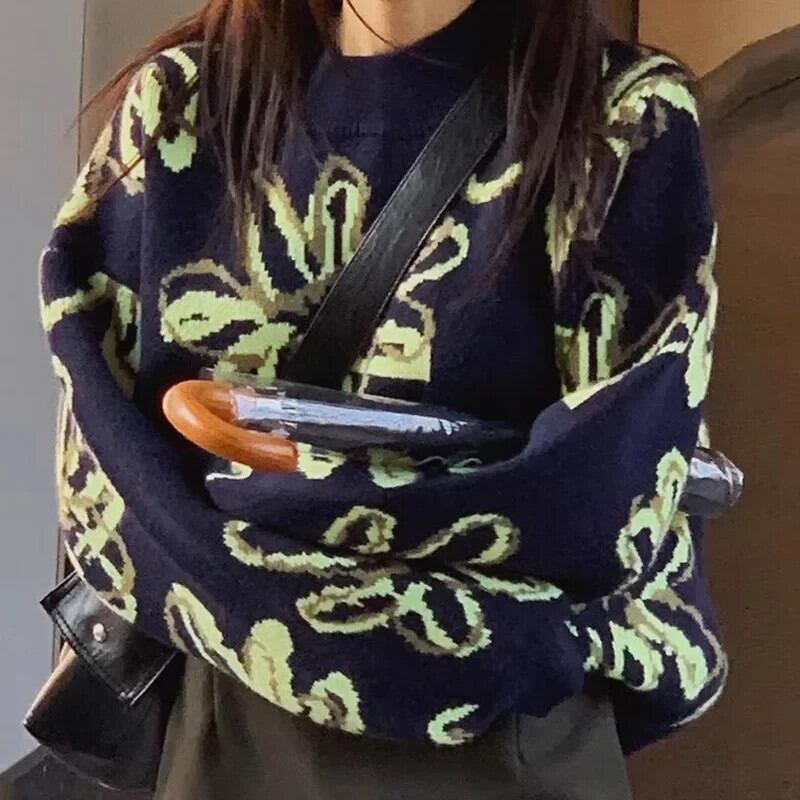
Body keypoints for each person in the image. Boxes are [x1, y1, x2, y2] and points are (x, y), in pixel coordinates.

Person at [38, 0, 728, 798]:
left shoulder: (622, 121)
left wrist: (235, 517)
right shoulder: (180, 108)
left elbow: (605, 505)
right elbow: (105, 490)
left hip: (502, 740)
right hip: (233, 737)